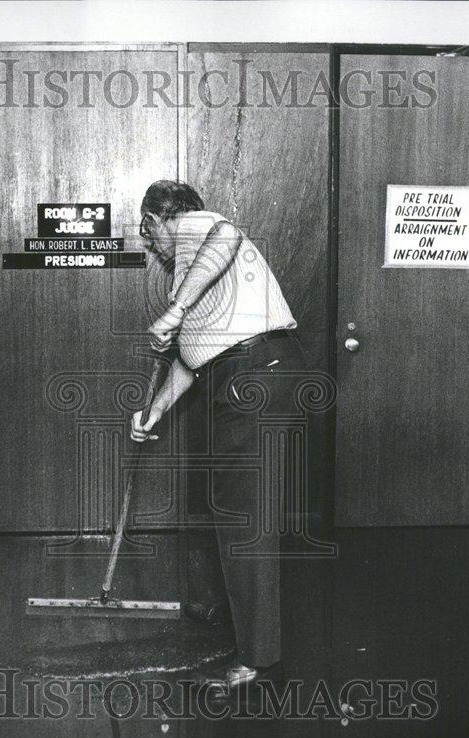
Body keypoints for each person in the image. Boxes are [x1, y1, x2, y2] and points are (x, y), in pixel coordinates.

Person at [131, 179, 306, 689]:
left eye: (148, 229)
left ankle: (258, 660)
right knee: (238, 509)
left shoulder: (196, 228)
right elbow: (192, 359)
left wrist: (176, 308)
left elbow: (225, 235)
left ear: (165, 217)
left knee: (244, 515)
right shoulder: (191, 271)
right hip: (247, 371)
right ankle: (253, 640)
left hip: (254, 371)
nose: (148, 242)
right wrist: (155, 411)